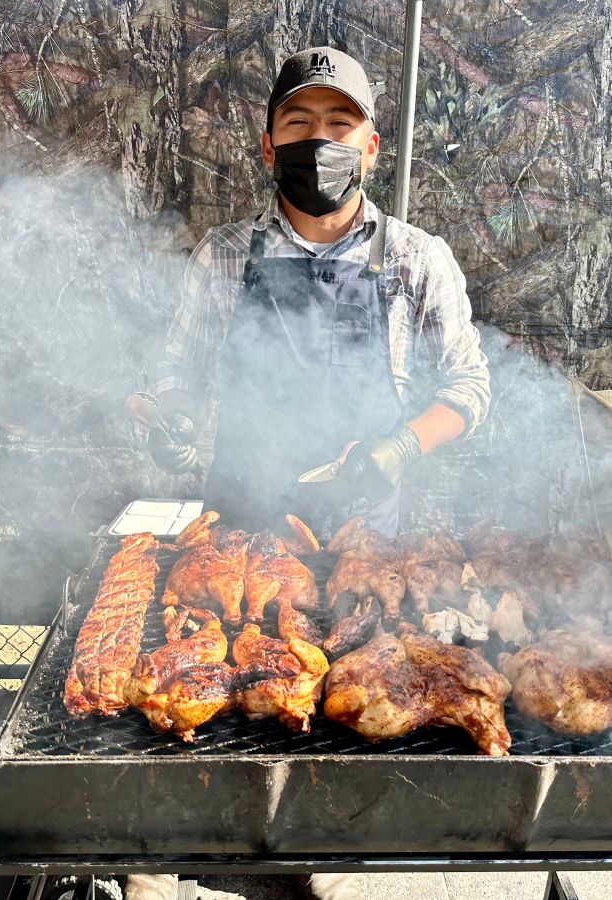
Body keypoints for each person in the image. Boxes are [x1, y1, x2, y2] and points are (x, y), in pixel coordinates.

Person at [123, 46, 490, 900]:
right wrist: (166, 425)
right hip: (244, 513)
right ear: (267, 145)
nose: (318, 140)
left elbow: (470, 390)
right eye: (299, 123)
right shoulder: (224, 254)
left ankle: (313, 864)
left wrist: (400, 447)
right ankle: (179, 853)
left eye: (339, 123)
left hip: (367, 530)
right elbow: (167, 382)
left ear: (369, 145)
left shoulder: (415, 258)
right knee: (218, 675)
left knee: (339, 708)